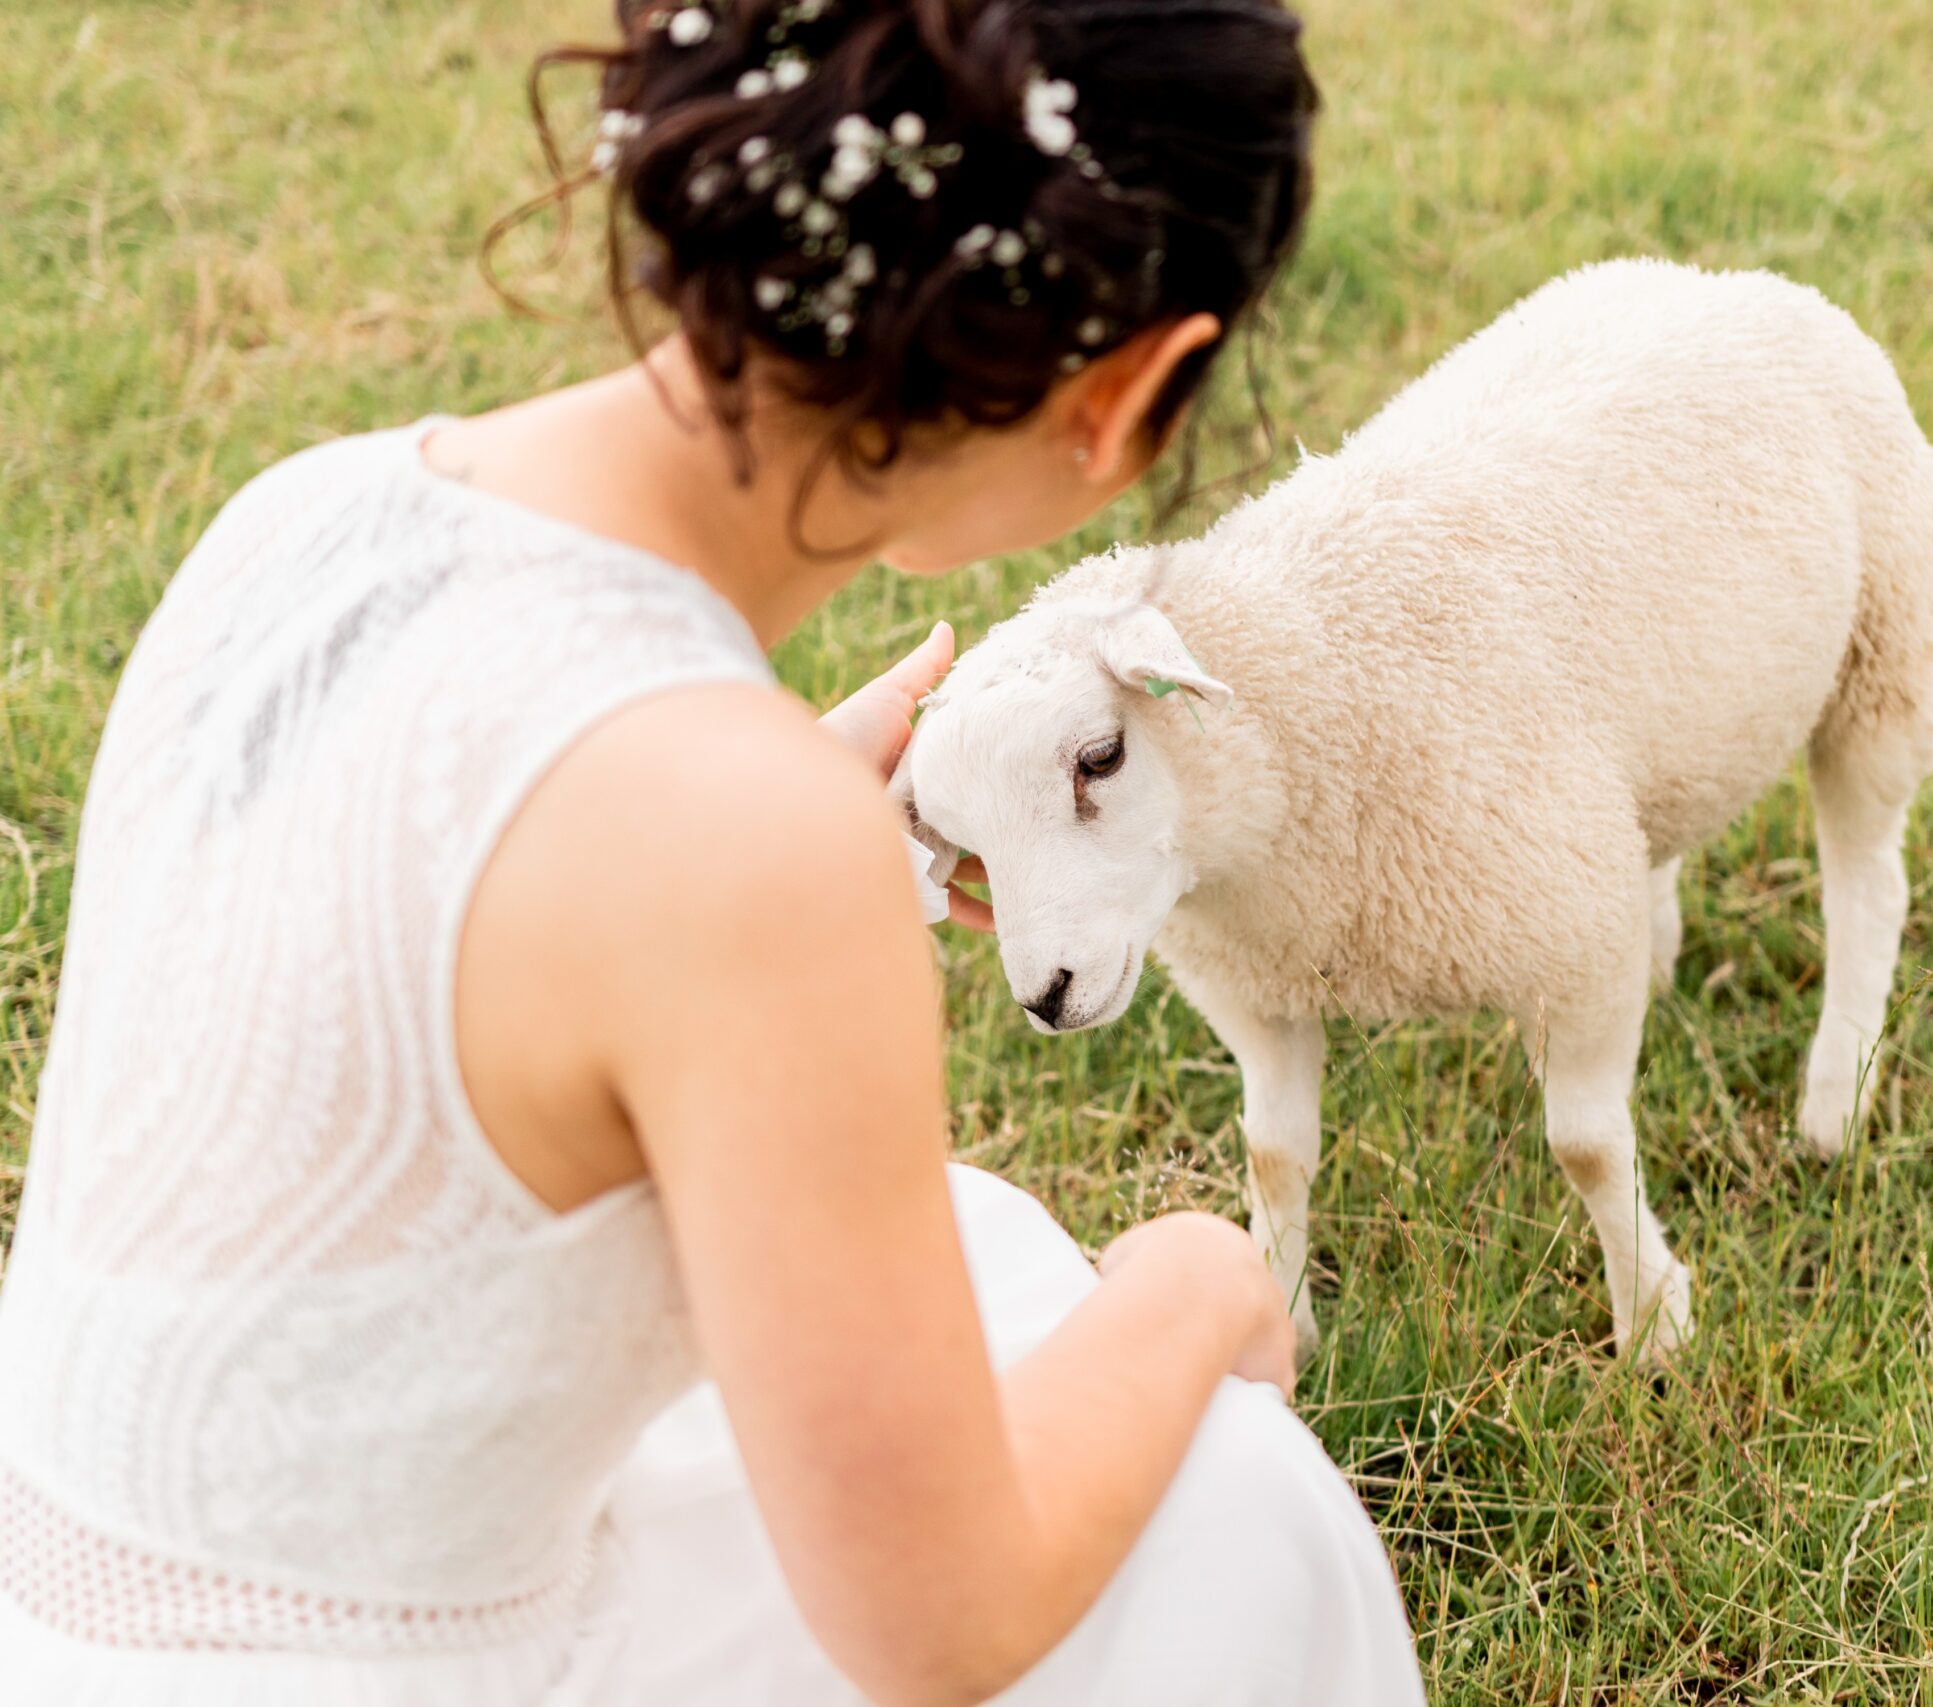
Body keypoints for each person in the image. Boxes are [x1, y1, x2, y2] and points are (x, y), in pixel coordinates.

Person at [0, 1, 1426, 1702]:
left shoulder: (306, 511)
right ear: (1123, 397)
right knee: (1223, 1493)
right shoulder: (747, 853)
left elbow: (414, 945)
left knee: (954, 1279)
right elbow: (943, 1627)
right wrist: (1194, 1282)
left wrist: (775, 800)